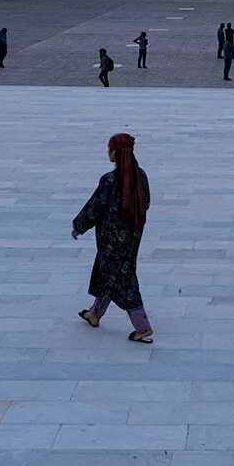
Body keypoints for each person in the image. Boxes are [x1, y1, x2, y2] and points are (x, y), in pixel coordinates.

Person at [73, 133, 153, 344]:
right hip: (133, 239)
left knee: (123, 280)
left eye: (109, 149)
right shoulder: (141, 176)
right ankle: (94, 314)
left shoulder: (109, 181)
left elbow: (94, 209)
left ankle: (142, 327)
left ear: (115, 152)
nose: (107, 152)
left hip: (110, 242)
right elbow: (146, 202)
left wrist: (77, 228)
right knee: (109, 275)